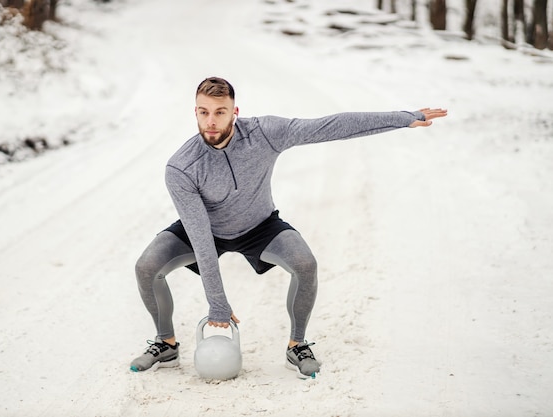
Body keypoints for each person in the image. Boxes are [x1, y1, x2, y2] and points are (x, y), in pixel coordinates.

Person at [130, 77, 447, 379]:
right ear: (195, 112)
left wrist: (401, 118)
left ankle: (297, 345)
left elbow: (328, 127)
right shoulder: (182, 166)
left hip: (259, 225)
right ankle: (166, 344)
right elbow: (200, 236)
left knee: (305, 264)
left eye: (220, 112)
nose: (210, 121)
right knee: (147, 267)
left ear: (235, 113)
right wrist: (217, 301)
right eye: (203, 112)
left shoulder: (265, 133)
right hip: (205, 228)